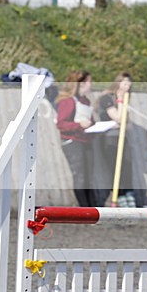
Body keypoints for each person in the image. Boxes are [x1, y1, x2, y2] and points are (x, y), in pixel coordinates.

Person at [56, 70, 96, 207]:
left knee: (89, 176)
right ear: (81, 83)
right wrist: (79, 125)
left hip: (86, 141)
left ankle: (92, 207)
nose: (91, 84)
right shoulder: (68, 101)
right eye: (89, 81)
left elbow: (90, 121)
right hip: (72, 142)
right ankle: (84, 207)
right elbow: (61, 124)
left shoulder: (85, 101)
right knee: (80, 176)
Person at [95, 72, 136, 207]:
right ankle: (118, 197)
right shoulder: (107, 98)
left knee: (127, 168)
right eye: (125, 83)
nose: (127, 87)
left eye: (129, 84)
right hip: (110, 139)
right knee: (115, 169)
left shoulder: (125, 100)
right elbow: (118, 117)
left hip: (123, 137)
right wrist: (120, 100)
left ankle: (129, 196)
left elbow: (127, 123)